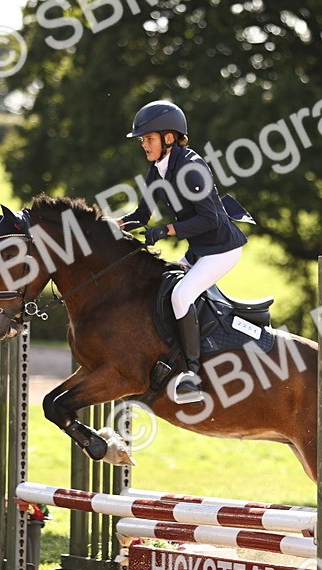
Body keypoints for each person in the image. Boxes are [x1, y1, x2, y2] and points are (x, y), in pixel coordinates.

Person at [115, 100, 249, 405]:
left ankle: (192, 375)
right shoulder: (157, 170)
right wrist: (110, 225)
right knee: (161, 288)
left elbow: (209, 219)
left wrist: (166, 231)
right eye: (142, 140)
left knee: (180, 296)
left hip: (222, 250)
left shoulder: (191, 167)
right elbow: (141, 215)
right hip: (200, 250)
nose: (144, 145)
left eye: (148, 139)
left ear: (169, 138)